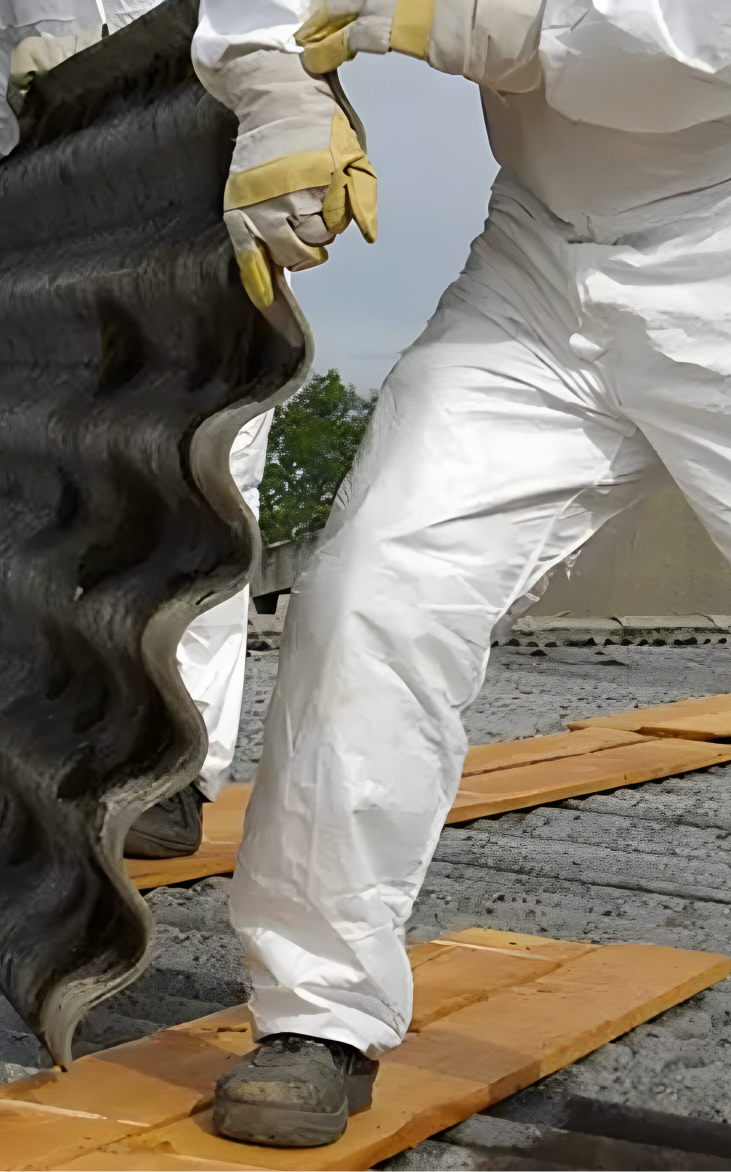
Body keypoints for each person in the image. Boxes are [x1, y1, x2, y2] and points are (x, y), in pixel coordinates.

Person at [189, 0, 731, 1150]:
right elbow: (271, 11)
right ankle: (316, 1013)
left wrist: (489, 23)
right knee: (370, 591)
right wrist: (278, 92)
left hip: (717, 243)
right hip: (536, 265)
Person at [0, 0, 278, 860]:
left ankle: (174, 772)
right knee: (50, 494)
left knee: (205, 490)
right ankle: (49, 744)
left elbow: (286, 39)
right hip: (65, 255)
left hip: (206, 240)